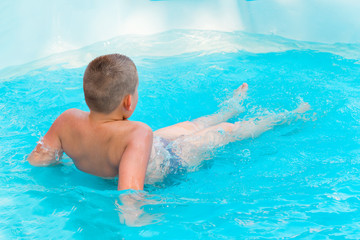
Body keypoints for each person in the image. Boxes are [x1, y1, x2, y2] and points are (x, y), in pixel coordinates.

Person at [28, 54, 310, 190]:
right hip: (169, 161)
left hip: (150, 149)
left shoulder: (67, 119)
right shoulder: (137, 132)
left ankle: (230, 108)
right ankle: (286, 116)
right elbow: (130, 192)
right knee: (224, 132)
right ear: (128, 102)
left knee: (189, 126)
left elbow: (40, 159)